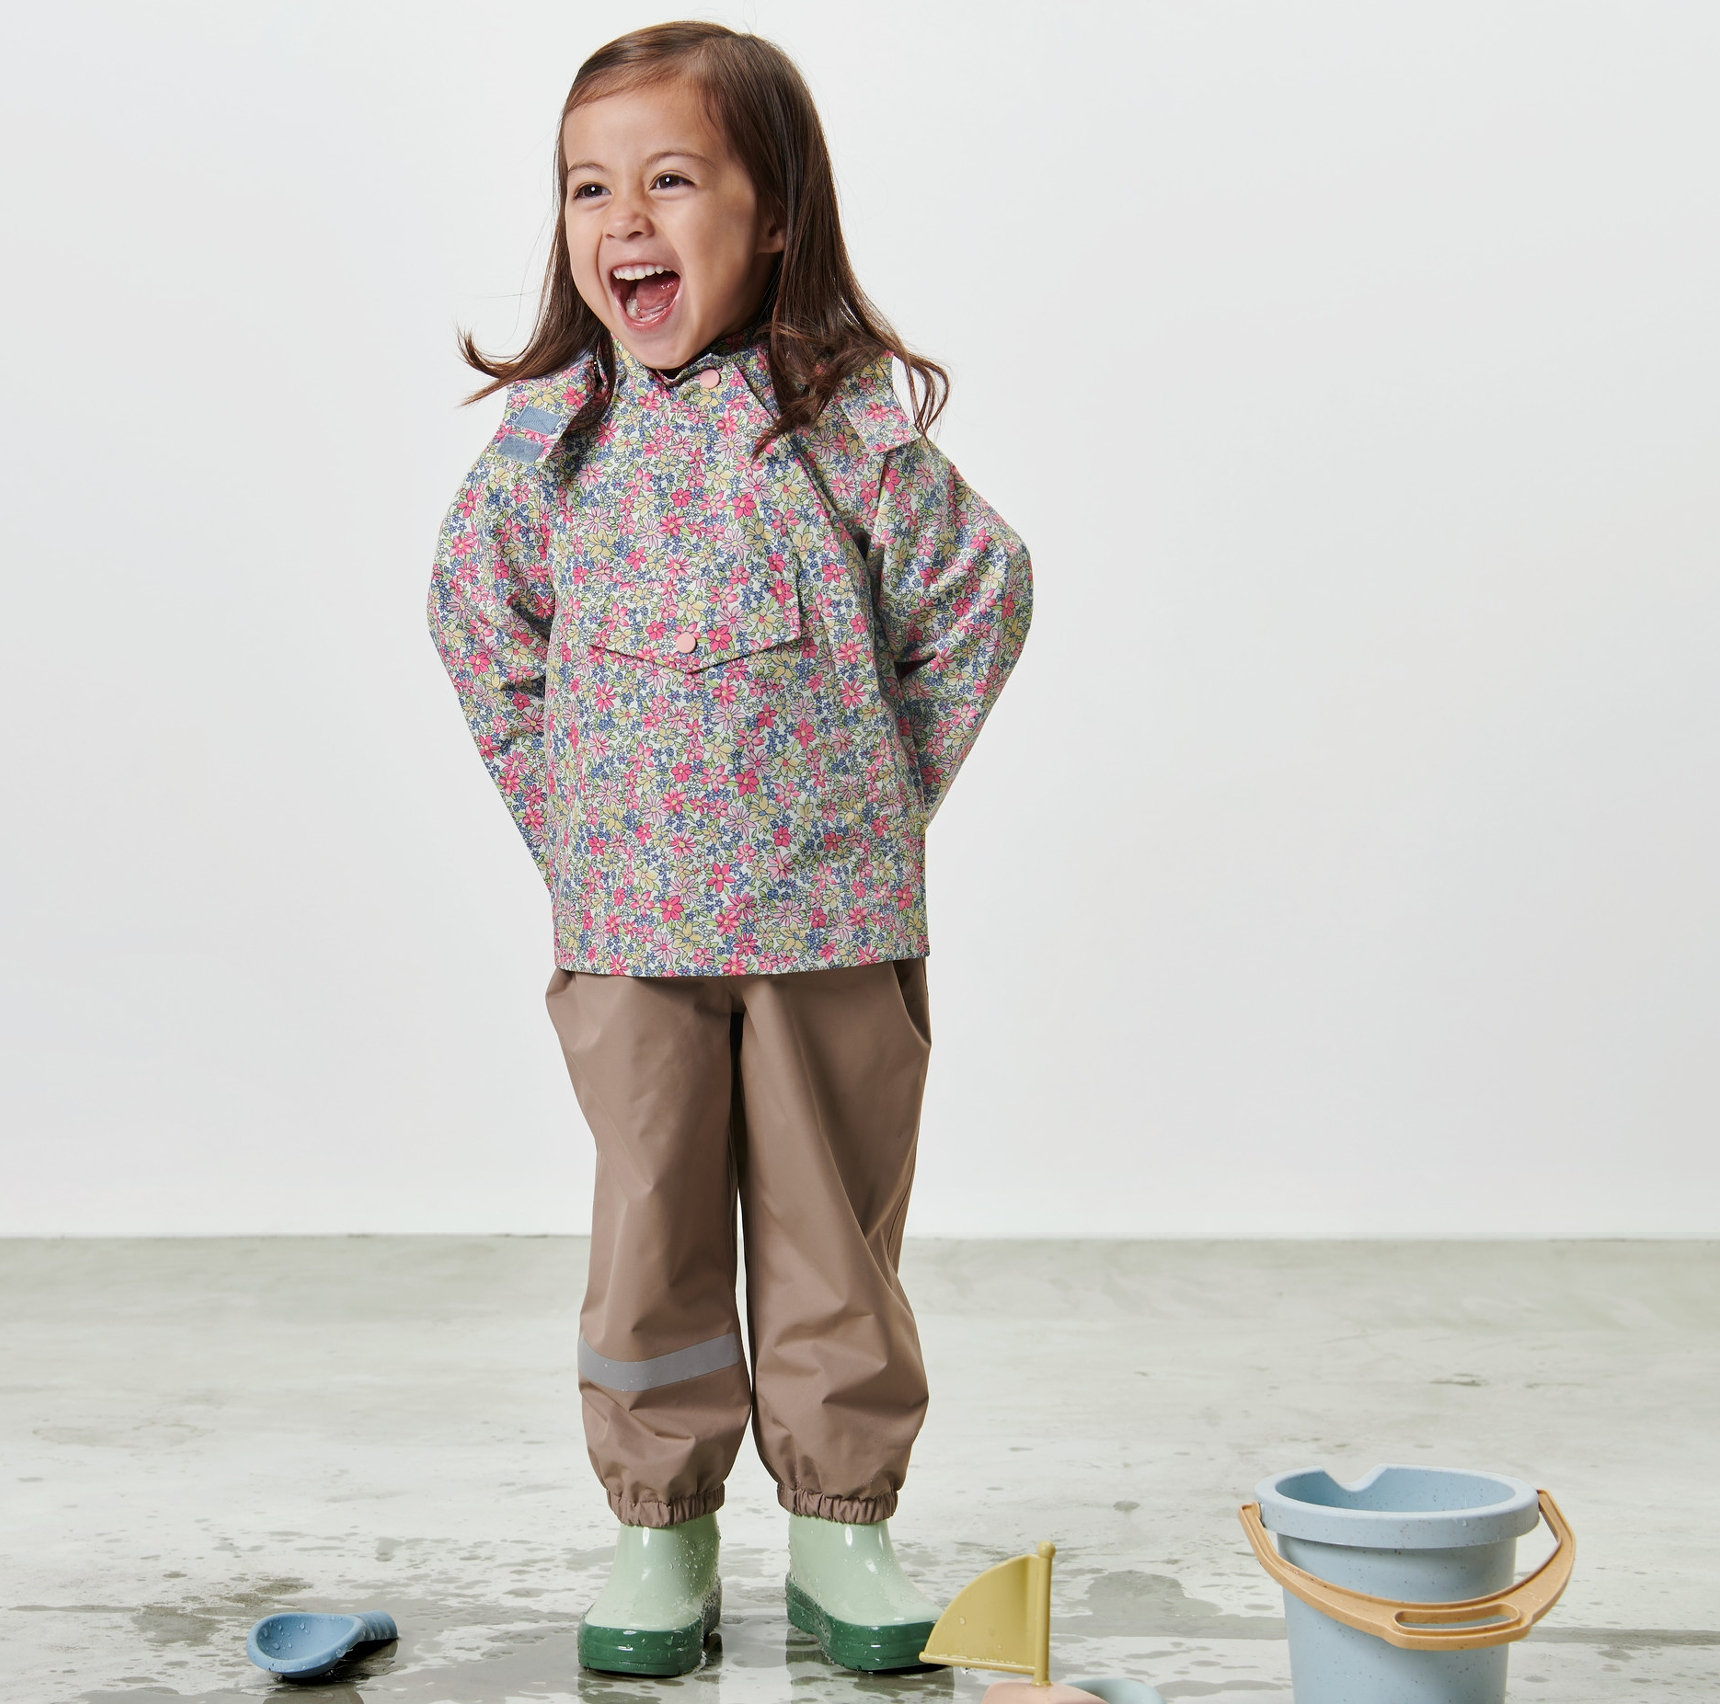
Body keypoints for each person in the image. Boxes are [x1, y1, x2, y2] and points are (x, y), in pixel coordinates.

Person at [426, 19, 1031, 1680]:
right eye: (587, 188)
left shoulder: (834, 423)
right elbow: (478, 618)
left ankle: (846, 1527)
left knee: (835, 1233)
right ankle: (661, 1528)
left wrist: (886, 791)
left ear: (772, 216)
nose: (622, 218)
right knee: (653, 1227)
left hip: (830, 912)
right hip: (631, 922)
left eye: (671, 180)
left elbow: (981, 589)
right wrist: (569, 816)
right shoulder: (558, 437)